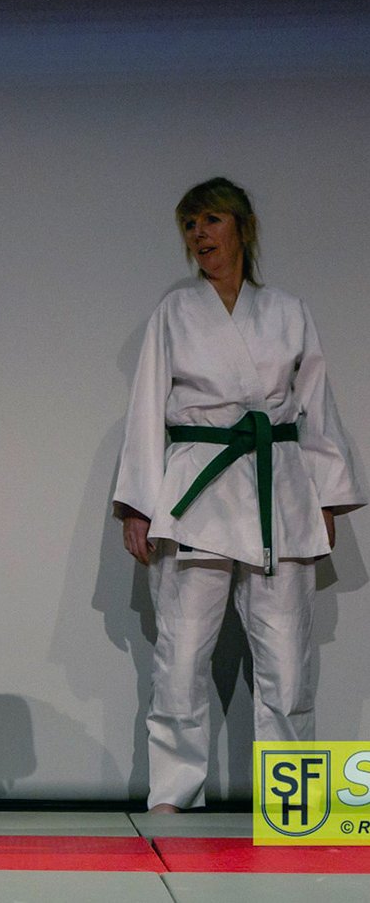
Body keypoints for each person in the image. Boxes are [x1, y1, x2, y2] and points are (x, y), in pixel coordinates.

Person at [113, 177, 364, 813]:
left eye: (212, 220)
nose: (200, 234)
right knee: (180, 656)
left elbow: (315, 405)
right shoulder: (175, 312)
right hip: (196, 489)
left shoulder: (288, 310)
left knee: (288, 660)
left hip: (279, 489)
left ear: (242, 228)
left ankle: (293, 804)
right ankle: (174, 793)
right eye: (190, 224)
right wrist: (138, 504)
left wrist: (327, 497)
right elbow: (147, 407)